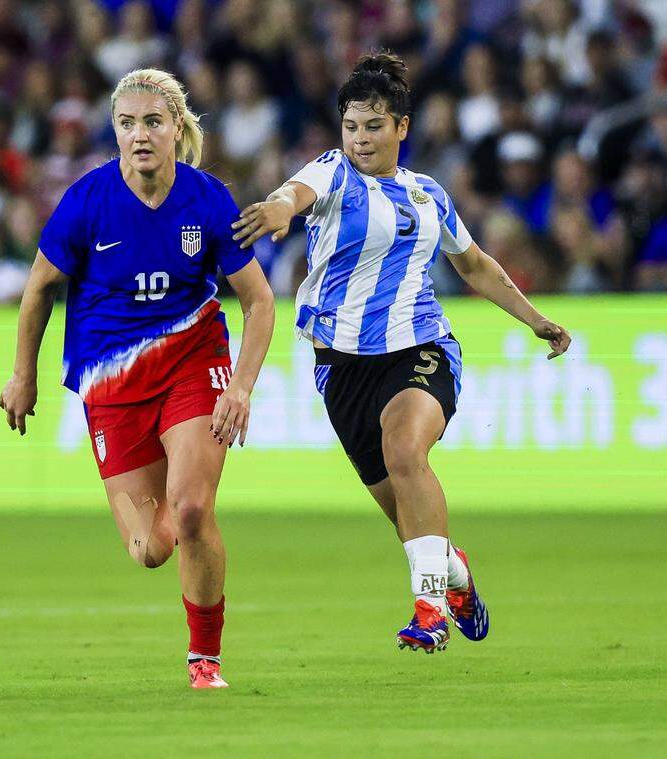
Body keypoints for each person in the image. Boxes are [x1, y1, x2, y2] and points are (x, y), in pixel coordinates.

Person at [233, 53, 570, 654]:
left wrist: (536, 320)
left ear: (402, 128)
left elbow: (473, 265)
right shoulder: (333, 173)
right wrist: (277, 213)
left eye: (375, 126)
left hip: (420, 346)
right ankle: (455, 576)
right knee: (406, 516)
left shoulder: (427, 195)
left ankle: (430, 611)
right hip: (341, 367)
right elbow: (293, 193)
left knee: (404, 447)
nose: (361, 139)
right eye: (352, 126)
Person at [0, 69, 274, 688]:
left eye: (153, 121)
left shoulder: (207, 200)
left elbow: (258, 301)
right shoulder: (87, 201)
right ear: (114, 131)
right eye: (127, 123)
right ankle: (169, 515)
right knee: (150, 548)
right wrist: (24, 376)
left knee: (196, 508)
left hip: (192, 368)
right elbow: (40, 288)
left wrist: (240, 387)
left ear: (177, 127)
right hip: (110, 388)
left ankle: (205, 658)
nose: (140, 134)